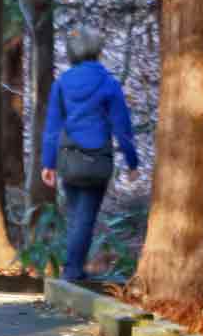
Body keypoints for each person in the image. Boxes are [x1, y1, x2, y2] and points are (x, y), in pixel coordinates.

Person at [41, 27, 140, 281]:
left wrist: (47, 163)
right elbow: (122, 126)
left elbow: (53, 127)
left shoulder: (61, 84)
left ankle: (73, 267)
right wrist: (132, 162)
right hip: (98, 161)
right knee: (85, 216)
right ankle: (73, 271)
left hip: (69, 159)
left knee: (76, 214)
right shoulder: (109, 83)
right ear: (97, 51)